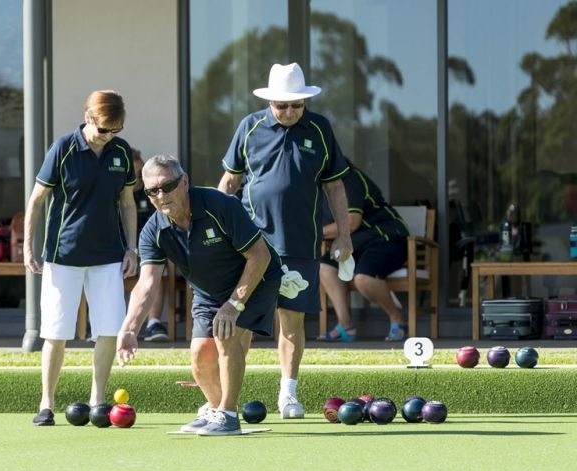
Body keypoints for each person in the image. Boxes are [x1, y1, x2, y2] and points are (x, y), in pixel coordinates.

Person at [218, 62, 353, 418]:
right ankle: (227, 399)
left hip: (300, 244)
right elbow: (229, 183)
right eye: (283, 105)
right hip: (251, 246)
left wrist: (344, 234)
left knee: (292, 321)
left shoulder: (320, 128)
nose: (290, 111)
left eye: (297, 105)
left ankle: (288, 395)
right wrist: (216, 232)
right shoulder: (250, 126)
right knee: (241, 322)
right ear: (270, 102)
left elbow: (335, 186)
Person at [117, 155, 282, 436]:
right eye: (152, 191)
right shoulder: (153, 231)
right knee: (199, 354)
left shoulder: (220, 205)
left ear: (184, 181)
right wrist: (130, 328)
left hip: (256, 278)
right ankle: (216, 408)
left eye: (167, 186)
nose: (161, 196)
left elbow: (260, 255)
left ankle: (228, 415)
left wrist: (233, 304)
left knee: (226, 335)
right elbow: (147, 284)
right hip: (207, 291)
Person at [24, 90, 138, 426]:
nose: (109, 136)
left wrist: (131, 248)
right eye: (104, 129)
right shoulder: (63, 148)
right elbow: (36, 200)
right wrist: (28, 248)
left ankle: (98, 400)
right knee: (56, 331)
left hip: (108, 255)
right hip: (64, 255)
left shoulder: (121, 151)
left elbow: (127, 203)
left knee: (109, 329)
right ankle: (46, 404)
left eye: (116, 130)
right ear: (88, 117)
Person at [318, 159, 410, 341]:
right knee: (325, 267)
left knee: (363, 279)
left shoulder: (350, 179)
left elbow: (352, 222)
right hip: (357, 245)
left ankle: (397, 319)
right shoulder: (321, 190)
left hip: (386, 238)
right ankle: (345, 325)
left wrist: (314, 234)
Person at [130, 148, 169, 342]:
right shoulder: (115, 194)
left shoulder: (151, 194)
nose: (138, 179)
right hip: (123, 251)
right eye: (134, 174)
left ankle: (154, 324)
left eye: (141, 174)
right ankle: (104, 326)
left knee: (157, 268)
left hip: (149, 248)